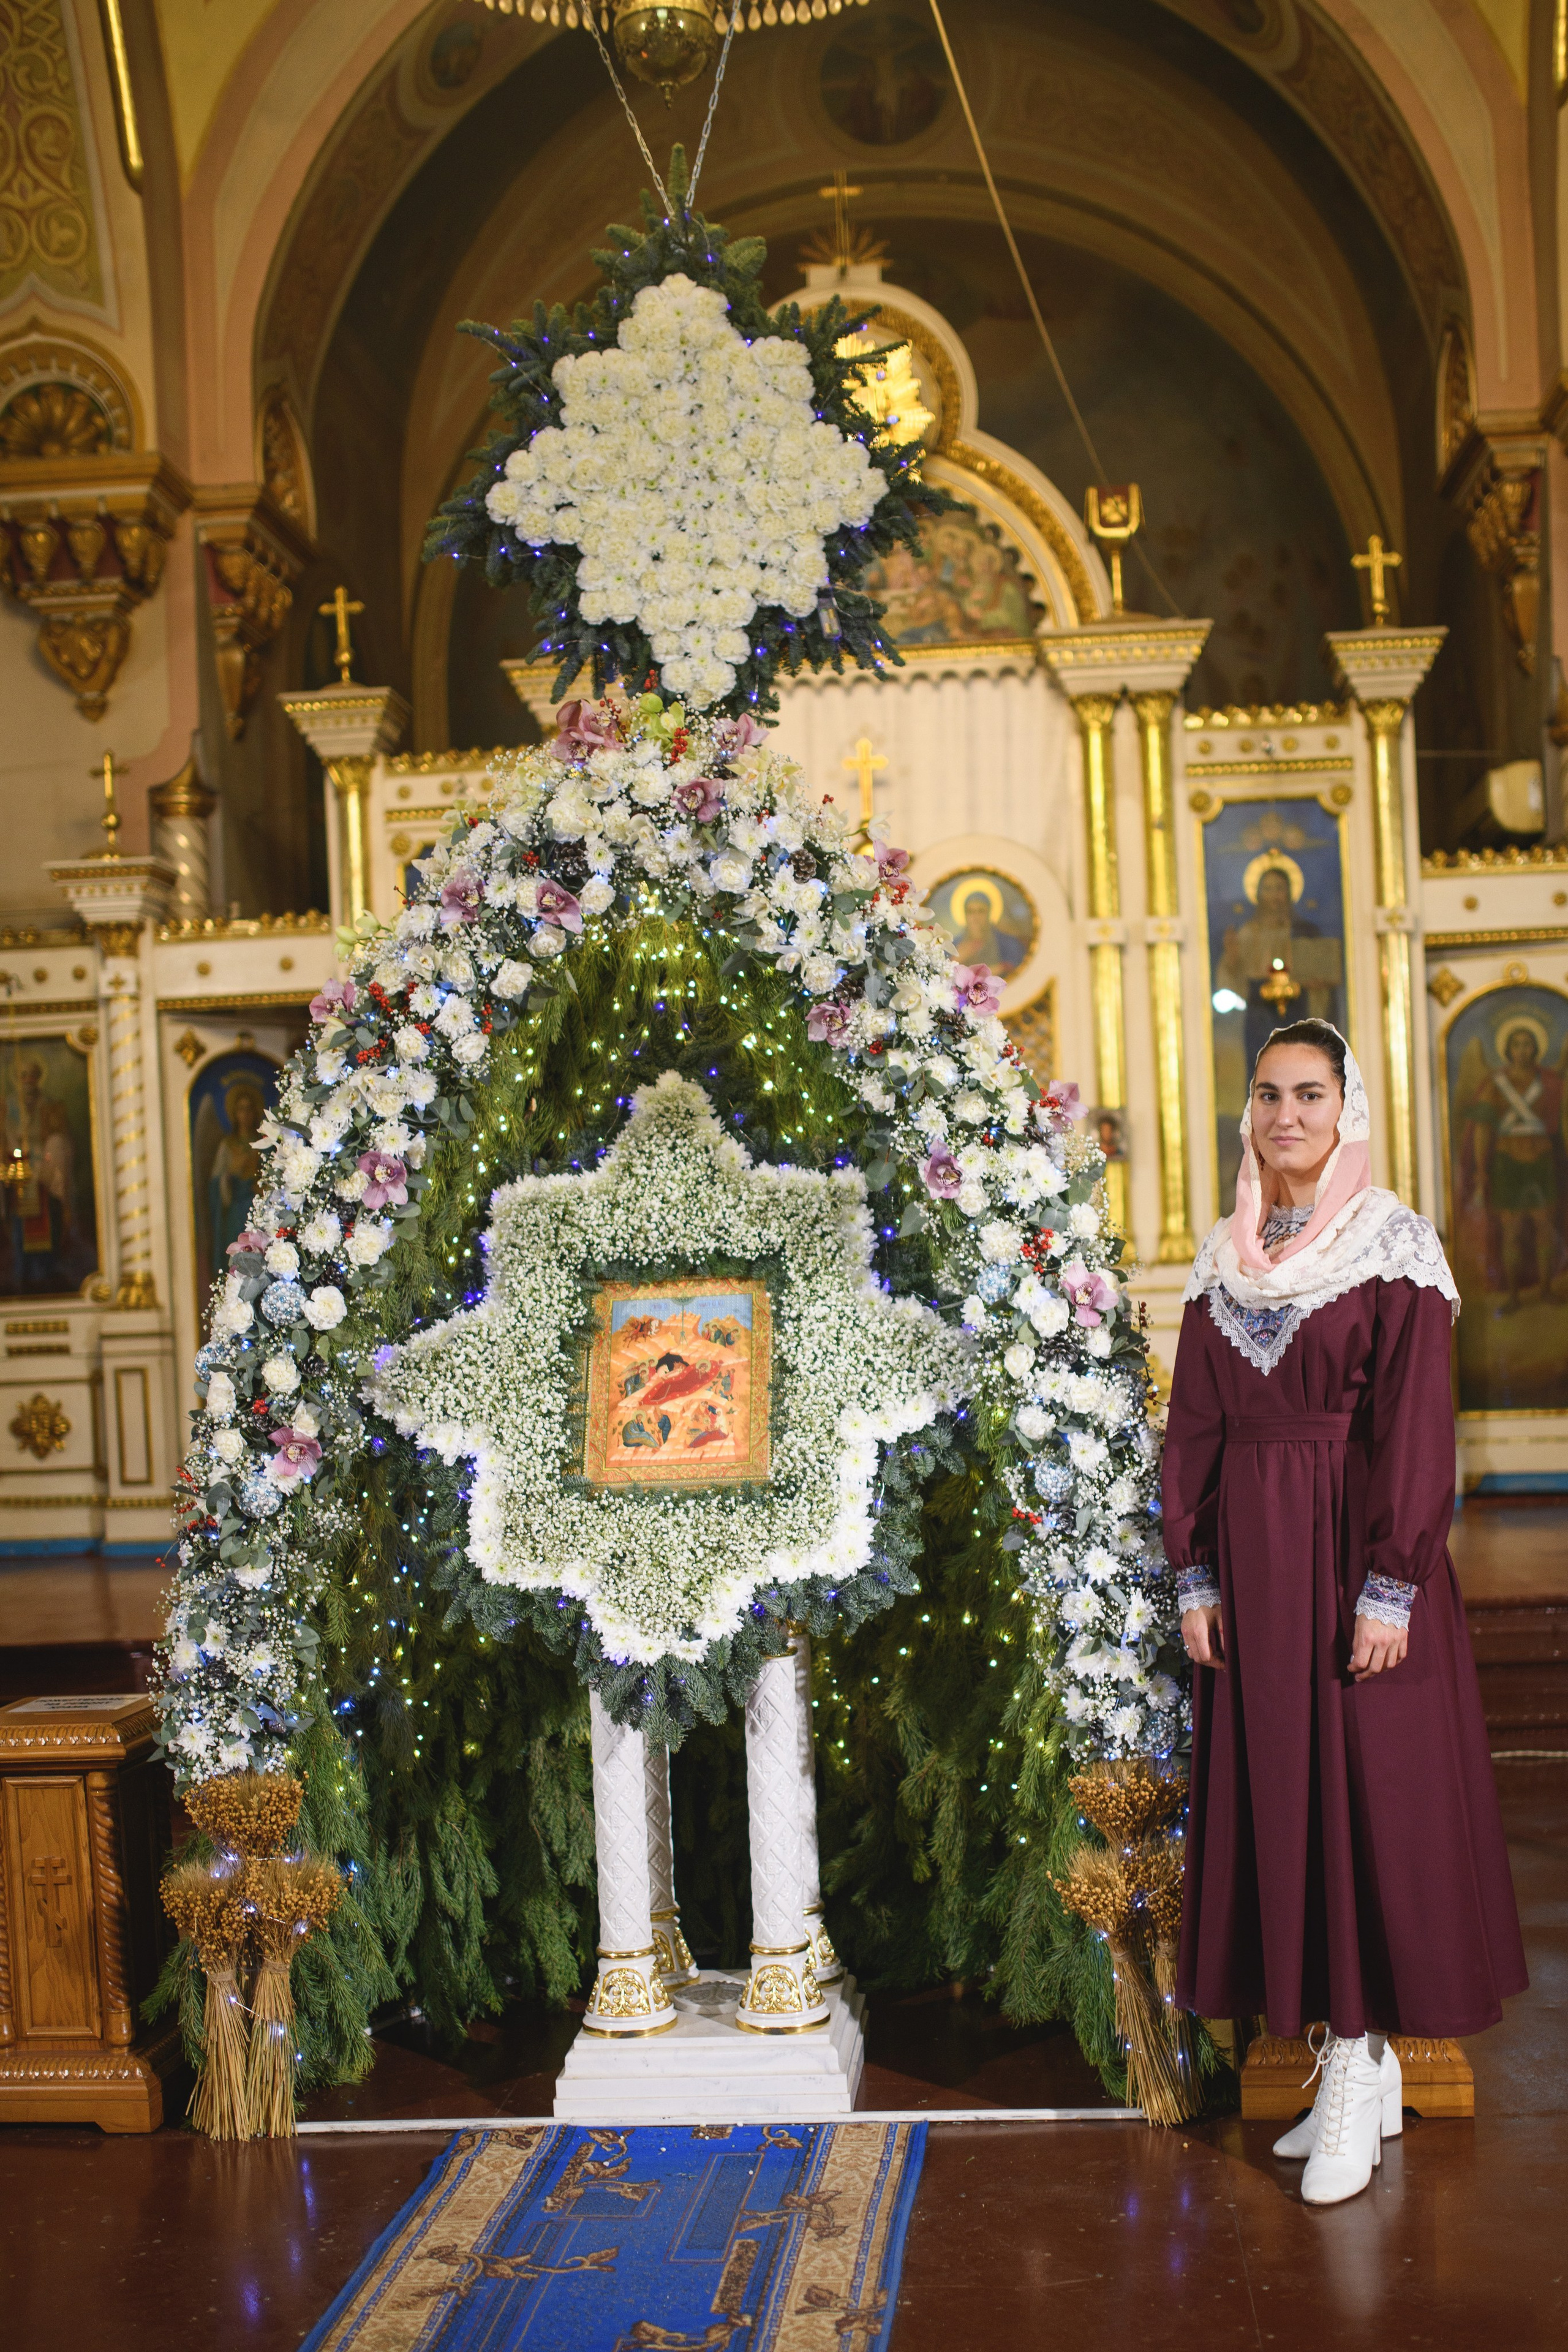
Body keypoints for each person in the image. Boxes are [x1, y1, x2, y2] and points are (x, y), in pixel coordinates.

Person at [1164, 1017, 1526, 2206]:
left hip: (1352, 1564)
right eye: (1265, 1095)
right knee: (1287, 1808)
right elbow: (1195, 1429)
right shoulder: (1224, 1257)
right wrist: (1194, 1572)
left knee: (1365, 1806)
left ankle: (1369, 2064)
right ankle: (1341, 2062)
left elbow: (1416, 1428)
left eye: (1307, 1095)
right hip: (1254, 1579)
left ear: (1344, 1107)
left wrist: (1391, 1580)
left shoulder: (1392, 1246)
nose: (1283, 1117)